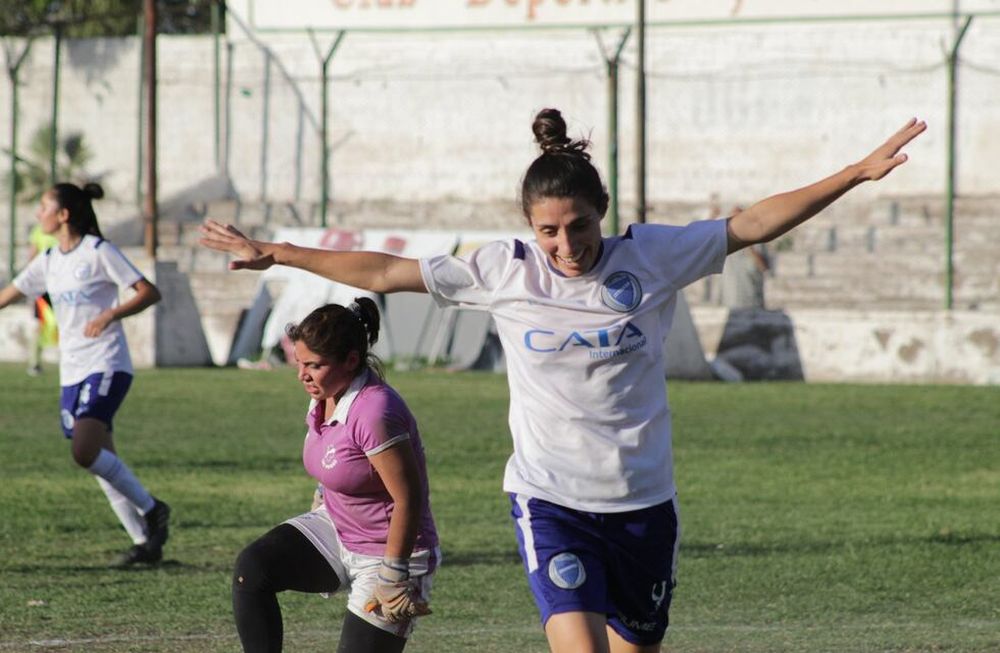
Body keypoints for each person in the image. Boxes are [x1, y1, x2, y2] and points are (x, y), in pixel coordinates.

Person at [201, 110, 926, 653]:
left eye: (577, 227)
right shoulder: (503, 269)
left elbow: (754, 223)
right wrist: (280, 251)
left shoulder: (653, 255)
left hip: (645, 503)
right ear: (530, 226)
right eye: (549, 231)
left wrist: (853, 174)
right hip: (551, 501)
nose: (565, 244)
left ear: (600, 213)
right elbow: (386, 272)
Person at [231, 298, 439, 653]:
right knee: (253, 569)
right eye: (299, 363)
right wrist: (322, 496)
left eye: (314, 365)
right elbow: (338, 459)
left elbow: (410, 498)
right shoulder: (324, 393)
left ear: (351, 361)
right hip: (337, 526)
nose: (302, 375)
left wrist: (393, 574)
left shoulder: (374, 411)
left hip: (387, 550)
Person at [0, 182, 170, 567]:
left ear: (63, 215)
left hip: (107, 363)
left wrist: (110, 314)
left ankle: (153, 508)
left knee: (84, 451)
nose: (37, 213)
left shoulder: (98, 251)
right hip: (72, 370)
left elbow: (148, 292)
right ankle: (145, 542)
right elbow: (9, 293)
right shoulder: (48, 259)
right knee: (99, 460)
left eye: (43, 206)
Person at [717, 205, 771, 309]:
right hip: (730, 302)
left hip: (753, 303)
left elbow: (763, 267)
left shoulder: (757, 241)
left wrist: (748, 245)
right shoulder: (724, 241)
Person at [25, 222, 60, 375]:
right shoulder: (39, 231)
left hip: (62, 286)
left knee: (65, 323)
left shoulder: (65, 230)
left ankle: (67, 359)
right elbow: (32, 256)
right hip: (44, 288)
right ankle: (34, 362)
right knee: (41, 322)